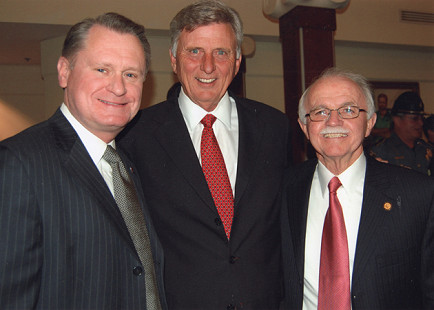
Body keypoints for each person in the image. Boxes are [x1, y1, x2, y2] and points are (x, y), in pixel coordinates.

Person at [118, 1, 291, 309]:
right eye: (194, 51)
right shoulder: (136, 136)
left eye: (221, 52)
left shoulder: (275, 127)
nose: (208, 66)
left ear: (237, 61)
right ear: (174, 60)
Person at [0, 13, 167, 309]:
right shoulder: (19, 163)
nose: (118, 87)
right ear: (64, 71)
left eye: (131, 74)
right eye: (102, 69)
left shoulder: (126, 165)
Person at [281, 68, 434, 310]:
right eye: (320, 112)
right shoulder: (282, 190)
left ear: (370, 123)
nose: (333, 121)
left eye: (349, 110)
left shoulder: (419, 195)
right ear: (304, 127)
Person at [370, 91, 432, 175]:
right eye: (414, 118)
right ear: (397, 120)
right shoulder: (381, 152)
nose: (420, 123)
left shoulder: (426, 149)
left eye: (422, 118)